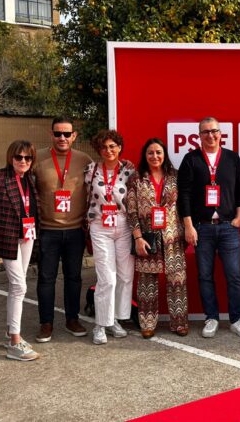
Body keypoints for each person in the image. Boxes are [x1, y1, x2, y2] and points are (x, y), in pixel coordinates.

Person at [178, 117, 240, 338]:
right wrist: (189, 226)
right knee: (205, 275)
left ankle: (237, 319)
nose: (210, 135)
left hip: (228, 227)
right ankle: (211, 317)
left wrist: (239, 217)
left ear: (221, 134)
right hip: (202, 228)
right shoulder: (190, 159)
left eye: (214, 131)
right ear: (199, 136)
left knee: (234, 275)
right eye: (205, 132)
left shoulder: (231, 158)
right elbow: (185, 194)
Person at [34, 116, 92, 342]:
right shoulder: (37, 157)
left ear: (74, 136)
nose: (62, 138)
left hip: (76, 230)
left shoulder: (84, 160)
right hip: (47, 231)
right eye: (58, 133)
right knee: (46, 279)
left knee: (74, 278)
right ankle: (46, 323)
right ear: (51, 135)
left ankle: (72, 319)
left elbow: (104, 175)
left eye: (67, 134)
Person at [127, 138, 188, 338]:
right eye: (151, 153)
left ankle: (179, 323)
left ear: (165, 155)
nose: (155, 156)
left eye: (158, 152)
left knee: (177, 281)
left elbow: (183, 206)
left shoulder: (175, 177)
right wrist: (137, 238)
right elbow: (132, 211)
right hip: (147, 237)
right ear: (145, 155)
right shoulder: (136, 179)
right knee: (147, 283)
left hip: (173, 237)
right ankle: (147, 324)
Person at [0, 140, 40, 361]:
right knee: (20, 285)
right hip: (7, 238)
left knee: (15, 286)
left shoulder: (30, 179)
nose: (23, 161)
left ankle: (11, 332)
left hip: (27, 236)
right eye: (18, 157)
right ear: (11, 157)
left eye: (27, 158)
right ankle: (15, 342)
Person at [85, 130, 135, 345]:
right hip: (99, 224)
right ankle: (100, 325)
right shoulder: (91, 169)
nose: (109, 150)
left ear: (120, 147)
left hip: (123, 224)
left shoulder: (129, 170)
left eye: (113, 146)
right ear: (99, 150)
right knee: (107, 278)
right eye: (104, 147)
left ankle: (114, 319)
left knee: (125, 276)